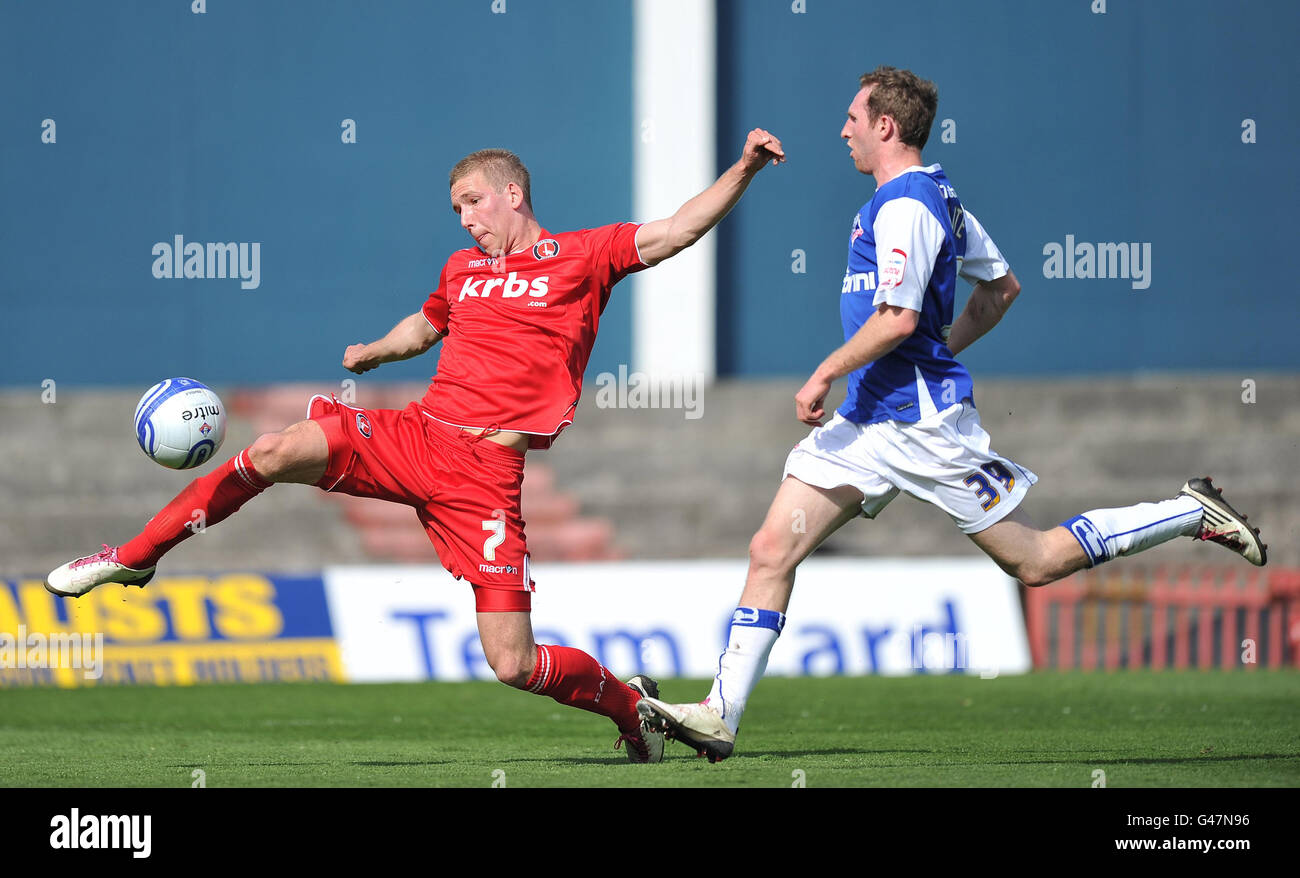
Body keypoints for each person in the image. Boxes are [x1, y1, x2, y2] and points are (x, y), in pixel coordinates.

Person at [47, 129, 788, 763]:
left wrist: (746, 170)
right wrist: (374, 351)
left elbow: (678, 229)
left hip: (485, 476)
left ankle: (633, 713)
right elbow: (426, 325)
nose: (466, 220)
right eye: (457, 209)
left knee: (513, 663)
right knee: (273, 451)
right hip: (415, 434)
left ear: (513, 193)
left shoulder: (583, 256)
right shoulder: (461, 272)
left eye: (474, 203)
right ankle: (136, 557)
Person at [637, 66, 1267, 762]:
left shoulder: (908, 203)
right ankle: (721, 713)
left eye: (853, 117)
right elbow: (1001, 290)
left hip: (923, 426)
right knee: (770, 549)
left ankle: (1190, 511)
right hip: (867, 422)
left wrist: (825, 370)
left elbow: (900, 318)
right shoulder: (934, 194)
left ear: (886, 126)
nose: (842, 129)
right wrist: (924, 349)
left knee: (1035, 561)